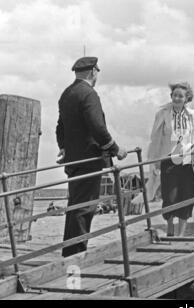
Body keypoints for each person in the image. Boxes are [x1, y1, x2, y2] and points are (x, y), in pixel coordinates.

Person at [56, 56, 127, 257]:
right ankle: (76, 254)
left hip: (74, 159)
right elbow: (97, 127)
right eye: (97, 73)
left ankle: (70, 251)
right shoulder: (89, 94)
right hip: (89, 158)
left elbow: (60, 126)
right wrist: (115, 149)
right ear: (93, 72)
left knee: (75, 205)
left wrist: (63, 146)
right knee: (85, 207)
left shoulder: (67, 93)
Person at [146, 82, 194, 237]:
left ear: (186, 99)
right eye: (174, 95)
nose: (177, 98)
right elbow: (156, 138)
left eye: (181, 96)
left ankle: (181, 233)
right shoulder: (163, 114)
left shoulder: (193, 115)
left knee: (187, 194)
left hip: (187, 160)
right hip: (169, 159)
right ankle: (170, 226)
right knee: (170, 196)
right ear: (171, 96)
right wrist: (155, 160)